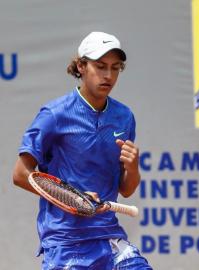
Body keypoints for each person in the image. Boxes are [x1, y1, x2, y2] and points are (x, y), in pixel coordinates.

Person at [12, 31, 152, 269]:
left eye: (115, 68)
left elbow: (126, 190)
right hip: (65, 242)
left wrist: (133, 167)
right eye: (100, 66)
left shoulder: (124, 117)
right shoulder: (55, 115)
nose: (108, 75)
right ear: (81, 66)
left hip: (109, 237)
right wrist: (74, 197)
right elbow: (21, 174)